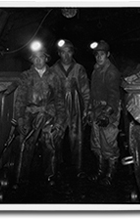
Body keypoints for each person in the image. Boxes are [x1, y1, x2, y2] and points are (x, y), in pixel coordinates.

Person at [13, 41, 66, 188]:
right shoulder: (26, 76)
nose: (38, 60)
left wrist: (60, 122)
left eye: (41, 57)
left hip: (49, 114)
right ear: (31, 59)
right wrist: (20, 119)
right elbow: (20, 100)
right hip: (30, 114)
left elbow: (60, 101)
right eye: (35, 57)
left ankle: (50, 175)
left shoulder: (54, 77)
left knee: (49, 141)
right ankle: (20, 178)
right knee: (24, 143)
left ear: (46, 58)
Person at [51, 39, 90, 179]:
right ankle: (56, 166)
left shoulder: (79, 68)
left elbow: (85, 90)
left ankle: (78, 167)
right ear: (59, 53)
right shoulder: (53, 70)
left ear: (72, 53)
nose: (66, 56)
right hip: (58, 105)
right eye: (63, 52)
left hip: (75, 104)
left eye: (69, 52)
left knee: (76, 136)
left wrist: (86, 109)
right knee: (56, 136)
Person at [87, 40, 122, 186]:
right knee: (97, 143)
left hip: (108, 111)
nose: (99, 57)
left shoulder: (111, 72)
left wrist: (107, 114)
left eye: (102, 54)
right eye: (97, 55)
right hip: (97, 110)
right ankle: (100, 171)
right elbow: (93, 92)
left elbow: (114, 96)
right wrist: (90, 109)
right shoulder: (96, 70)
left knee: (108, 143)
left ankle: (110, 174)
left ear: (107, 54)